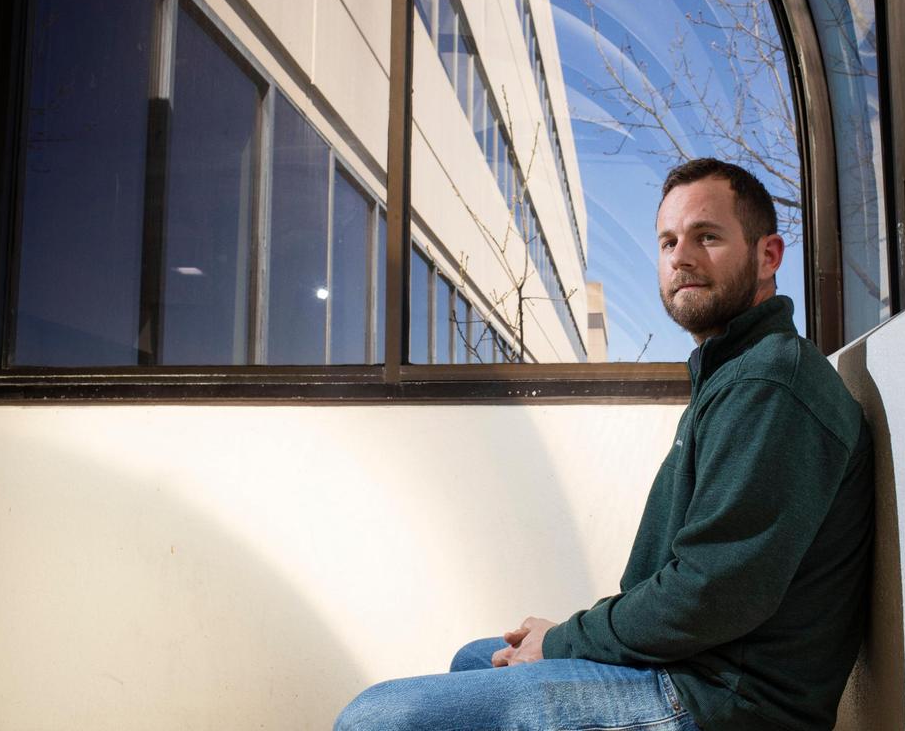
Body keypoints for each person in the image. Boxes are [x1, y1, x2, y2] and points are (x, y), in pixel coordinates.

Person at [335, 158, 874, 731]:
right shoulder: (733, 375)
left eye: (707, 237)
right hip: (690, 669)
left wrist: (564, 639)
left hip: (722, 703)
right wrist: (567, 638)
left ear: (768, 256)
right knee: (476, 659)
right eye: (668, 242)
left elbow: (706, 597)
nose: (681, 258)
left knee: (377, 716)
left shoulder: (771, 385)